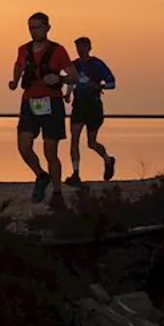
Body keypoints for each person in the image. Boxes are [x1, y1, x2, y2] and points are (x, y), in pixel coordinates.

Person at [9, 11, 73, 203]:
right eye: (30, 27)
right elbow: (18, 66)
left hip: (52, 103)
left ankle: (57, 192)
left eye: (37, 27)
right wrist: (14, 80)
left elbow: (73, 76)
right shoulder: (23, 50)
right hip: (30, 102)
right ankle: (40, 175)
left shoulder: (58, 50)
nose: (33, 31)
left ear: (47, 28)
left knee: (50, 151)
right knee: (24, 146)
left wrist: (60, 78)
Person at [65, 36, 117, 186]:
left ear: (89, 47)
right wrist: (68, 93)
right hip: (79, 105)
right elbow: (72, 80)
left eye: (83, 47)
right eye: (78, 47)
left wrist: (99, 86)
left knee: (91, 142)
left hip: (93, 105)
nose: (80, 50)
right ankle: (76, 174)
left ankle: (108, 160)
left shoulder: (97, 64)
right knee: (74, 139)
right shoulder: (73, 64)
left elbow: (112, 83)